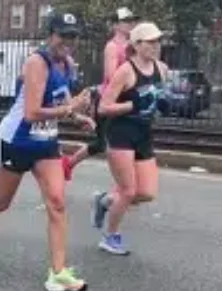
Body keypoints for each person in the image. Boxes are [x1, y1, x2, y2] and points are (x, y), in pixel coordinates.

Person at [0, 12, 94, 291]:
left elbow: (62, 101)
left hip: (45, 144)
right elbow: (31, 113)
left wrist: (79, 118)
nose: (68, 42)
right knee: (1, 203)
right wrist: (71, 109)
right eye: (63, 35)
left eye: (73, 36)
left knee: (57, 202)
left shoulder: (66, 65)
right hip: (15, 141)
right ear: (50, 35)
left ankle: (58, 273)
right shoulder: (36, 63)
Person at [93, 22, 166, 255]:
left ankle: (105, 201)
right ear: (136, 45)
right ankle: (110, 236)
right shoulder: (125, 71)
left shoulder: (161, 68)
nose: (156, 46)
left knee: (146, 193)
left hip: (143, 133)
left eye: (158, 41)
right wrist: (132, 104)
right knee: (128, 191)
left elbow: (158, 98)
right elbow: (103, 107)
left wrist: (163, 103)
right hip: (121, 132)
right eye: (150, 42)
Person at [61, 7, 138, 180]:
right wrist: (131, 80)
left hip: (125, 100)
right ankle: (123, 186)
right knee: (106, 144)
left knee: (117, 143)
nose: (131, 24)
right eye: (126, 21)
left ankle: (69, 163)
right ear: (116, 25)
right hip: (109, 100)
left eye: (132, 21)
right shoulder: (112, 47)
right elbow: (110, 75)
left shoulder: (133, 46)